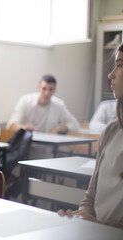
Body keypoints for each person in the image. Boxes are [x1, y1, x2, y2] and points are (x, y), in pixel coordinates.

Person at [58, 43, 123, 229]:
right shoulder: (111, 131)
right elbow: (90, 198)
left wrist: (98, 224)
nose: (111, 75)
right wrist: (81, 216)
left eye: (119, 65)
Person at [6, 74, 80, 134]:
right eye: (44, 89)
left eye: (51, 89)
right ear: (38, 88)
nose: (47, 93)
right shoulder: (25, 101)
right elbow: (11, 125)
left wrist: (60, 129)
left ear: (55, 90)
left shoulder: (59, 105)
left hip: (47, 148)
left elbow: (75, 125)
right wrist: (23, 128)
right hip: (26, 146)